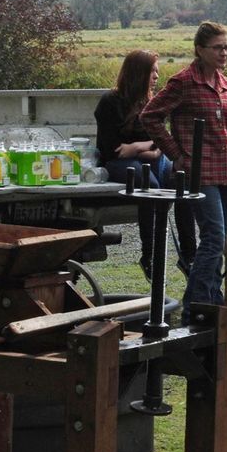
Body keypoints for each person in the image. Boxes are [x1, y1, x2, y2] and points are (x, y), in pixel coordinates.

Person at [141, 21, 227, 323]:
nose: (224, 53)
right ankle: (195, 307)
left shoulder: (225, 84)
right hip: (200, 173)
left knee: (220, 242)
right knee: (214, 238)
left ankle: (212, 305)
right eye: (218, 48)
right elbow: (150, 117)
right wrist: (177, 155)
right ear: (200, 49)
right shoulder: (183, 82)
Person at [95, 49, 195, 280]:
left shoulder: (152, 100)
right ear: (137, 73)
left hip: (151, 157)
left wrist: (141, 148)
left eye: (157, 72)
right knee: (148, 185)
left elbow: (161, 138)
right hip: (120, 162)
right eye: (152, 72)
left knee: (182, 182)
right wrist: (143, 150)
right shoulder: (110, 102)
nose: (156, 77)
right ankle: (148, 254)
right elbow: (113, 149)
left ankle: (189, 253)